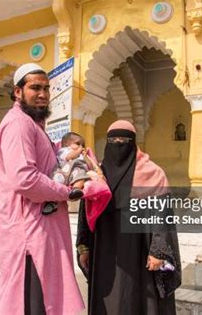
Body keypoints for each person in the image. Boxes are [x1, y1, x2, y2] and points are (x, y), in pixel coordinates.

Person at [0, 63, 85, 315]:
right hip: (28, 234)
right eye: (35, 87)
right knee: (32, 302)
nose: (43, 93)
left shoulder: (33, 126)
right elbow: (24, 179)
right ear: (17, 92)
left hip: (41, 229)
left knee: (44, 300)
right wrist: (66, 192)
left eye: (46, 88)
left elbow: (45, 163)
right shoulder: (18, 124)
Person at [76, 120, 181, 314]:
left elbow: (162, 213)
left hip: (139, 250)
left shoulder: (153, 174)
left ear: (133, 142)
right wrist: (84, 246)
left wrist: (158, 250)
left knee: (138, 298)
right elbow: (86, 212)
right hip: (103, 250)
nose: (118, 144)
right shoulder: (98, 173)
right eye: (113, 140)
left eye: (123, 139)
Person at [43, 132, 93, 215]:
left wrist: (85, 157)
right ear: (67, 144)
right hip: (65, 170)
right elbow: (69, 157)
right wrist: (78, 151)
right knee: (56, 177)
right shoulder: (64, 150)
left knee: (82, 175)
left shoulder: (82, 154)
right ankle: (51, 202)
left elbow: (90, 166)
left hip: (77, 170)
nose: (81, 146)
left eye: (83, 145)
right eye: (77, 143)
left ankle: (76, 190)